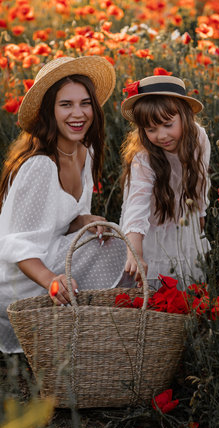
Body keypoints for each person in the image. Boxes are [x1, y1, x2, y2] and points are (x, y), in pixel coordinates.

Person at [0, 56, 127, 354]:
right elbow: (16, 245)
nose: (78, 113)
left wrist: (84, 221)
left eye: (85, 103)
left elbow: (55, 221)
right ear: (49, 111)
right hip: (19, 279)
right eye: (65, 105)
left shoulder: (86, 152)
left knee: (109, 236)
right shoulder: (40, 165)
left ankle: (102, 330)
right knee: (113, 246)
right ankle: (92, 333)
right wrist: (53, 281)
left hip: (51, 256)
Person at [119, 75, 211, 290]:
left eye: (168, 125)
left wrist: (199, 221)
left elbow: (201, 183)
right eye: (150, 129)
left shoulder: (199, 138)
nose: (161, 136)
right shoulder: (144, 157)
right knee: (156, 290)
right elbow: (136, 207)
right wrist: (136, 253)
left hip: (184, 223)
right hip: (150, 231)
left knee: (188, 283)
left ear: (185, 117)